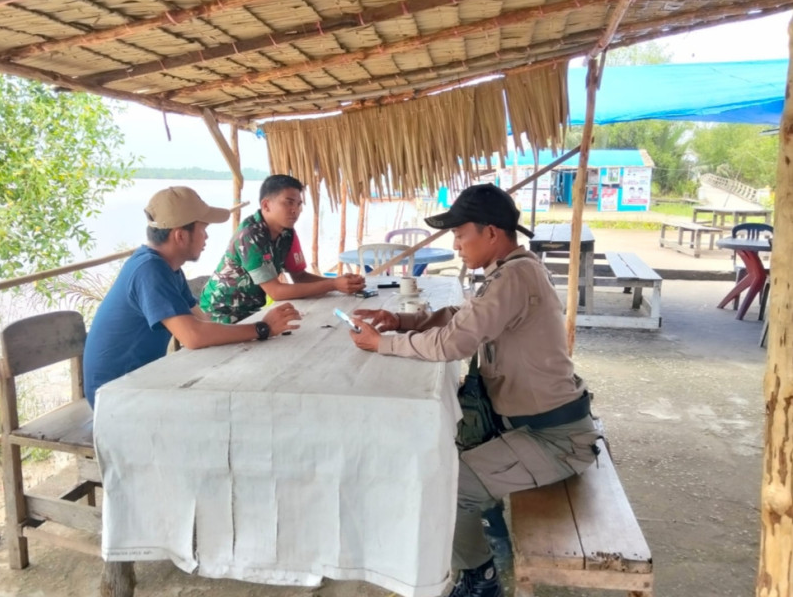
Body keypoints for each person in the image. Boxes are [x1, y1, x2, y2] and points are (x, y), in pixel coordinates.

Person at [347, 184, 600, 597]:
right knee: (447, 451)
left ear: (492, 233)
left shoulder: (515, 276)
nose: (457, 245)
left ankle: (480, 581)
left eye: (461, 235)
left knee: (449, 485)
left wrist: (383, 344)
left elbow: (453, 342)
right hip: (527, 426)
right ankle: (489, 531)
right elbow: (464, 317)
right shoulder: (511, 271)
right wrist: (401, 322)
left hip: (556, 440)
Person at [83, 186, 301, 408]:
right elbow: (193, 336)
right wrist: (261, 329)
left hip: (140, 382)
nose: (206, 236)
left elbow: (203, 320)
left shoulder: (168, 268)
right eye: (203, 229)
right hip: (113, 398)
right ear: (180, 235)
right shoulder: (149, 270)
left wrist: (250, 337)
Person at [200, 174, 365, 323]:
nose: (296, 210)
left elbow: (299, 276)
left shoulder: (287, 233)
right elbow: (276, 292)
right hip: (220, 315)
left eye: (299, 204)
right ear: (266, 205)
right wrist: (334, 284)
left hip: (252, 313)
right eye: (289, 202)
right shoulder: (250, 234)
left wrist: (343, 283)